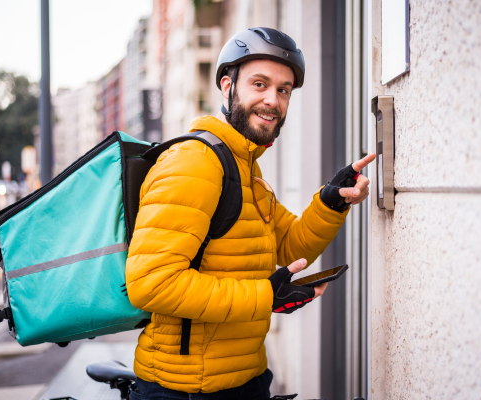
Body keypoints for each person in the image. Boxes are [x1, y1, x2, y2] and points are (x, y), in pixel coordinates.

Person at [126, 27, 376, 400]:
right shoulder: (195, 163)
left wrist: (330, 200)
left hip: (245, 377)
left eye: (283, 90)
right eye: (259, 84)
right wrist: (264, 296)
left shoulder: (244, 169)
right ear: (227, 86)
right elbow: (150, 283)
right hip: (186, 389)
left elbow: (290, 247)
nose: (272, 100)